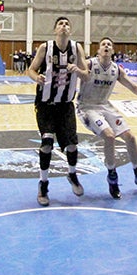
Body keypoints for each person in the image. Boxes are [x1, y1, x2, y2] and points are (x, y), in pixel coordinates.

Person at [69, 36, 137, 199]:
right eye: (103, 44)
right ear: (98, 50)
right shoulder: (89, 64)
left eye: (109, 45)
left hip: (105, 105)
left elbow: (132, 86)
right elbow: (75, 76)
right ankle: (112, 178)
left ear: (112, 50)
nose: (106, 46)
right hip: (87, 107)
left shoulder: (116, 69)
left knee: (130, 137)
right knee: (109, 136)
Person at [26, 16, 88, 206]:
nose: (64, 26)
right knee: (46, 144)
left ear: (70, 30)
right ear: (55, 30)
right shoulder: (45, 48)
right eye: (60, 24)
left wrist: (76, 69)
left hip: (66, 105)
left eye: (67, 24)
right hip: (45, 104)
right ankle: (43, 184)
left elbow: (86, 75)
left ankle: (72, 174)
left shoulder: (77, 48)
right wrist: (36, 78)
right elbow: (31, 70)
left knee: (71, 145)